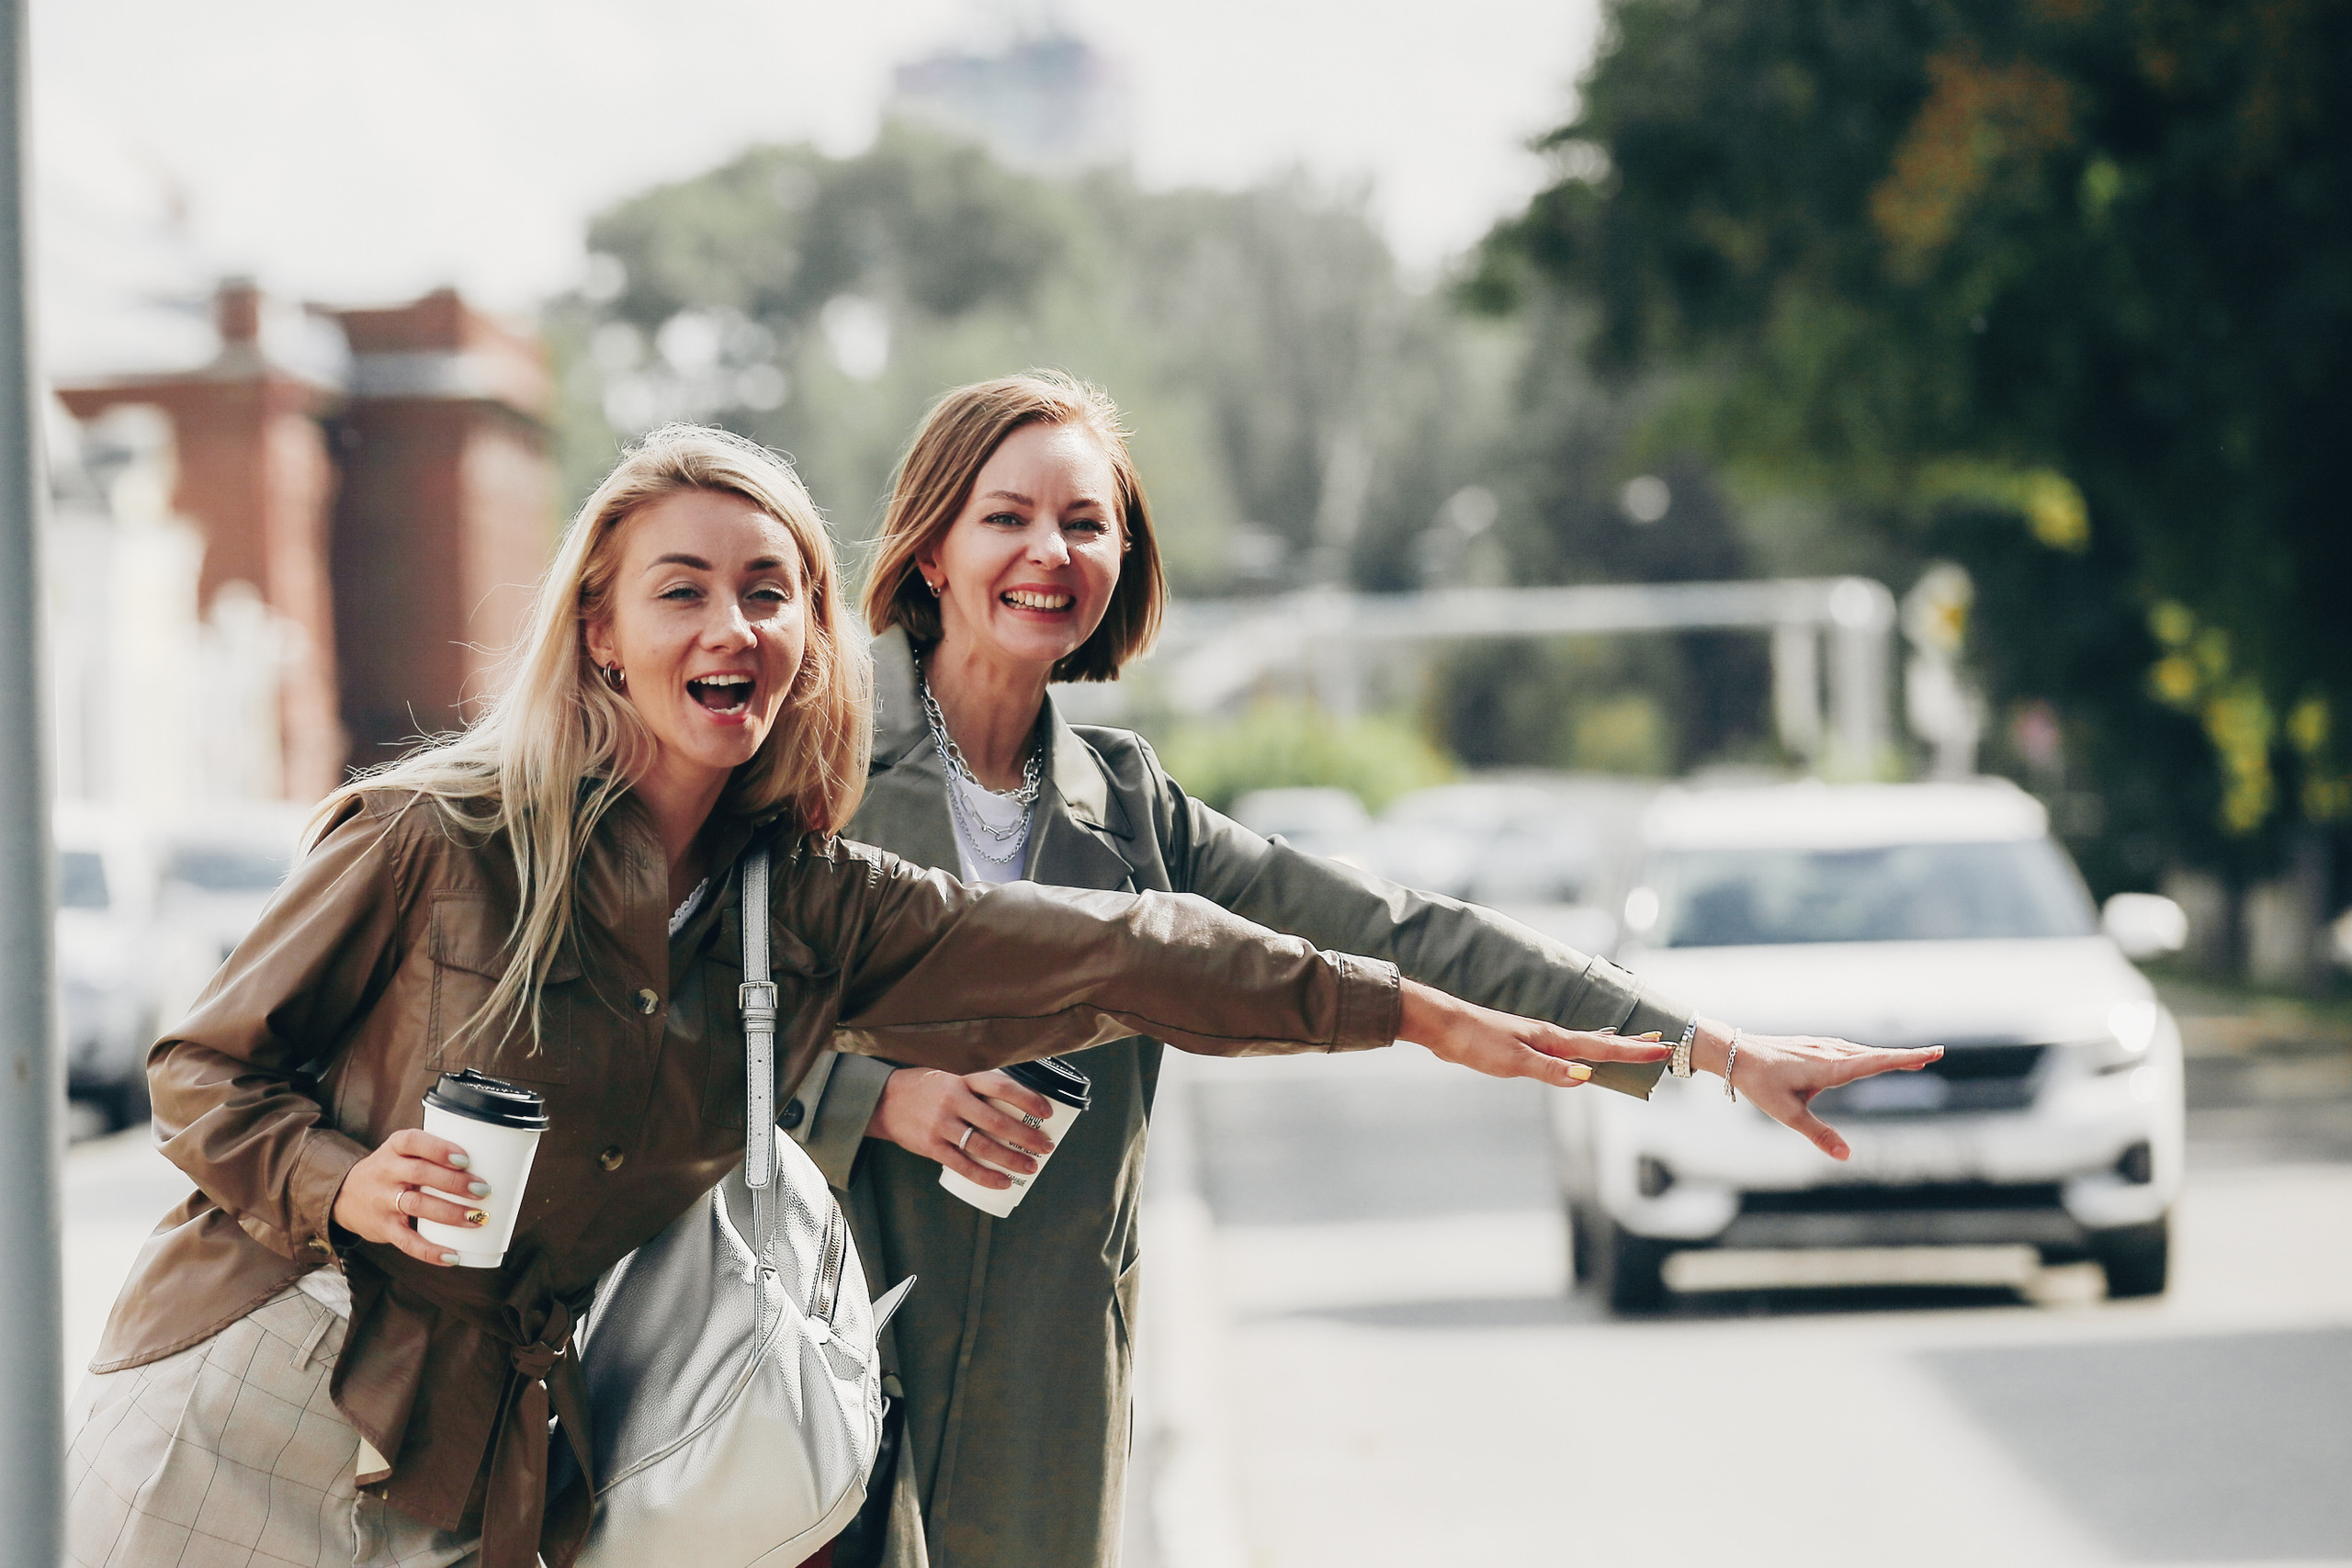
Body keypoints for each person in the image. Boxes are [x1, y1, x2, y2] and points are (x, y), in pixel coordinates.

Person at [64, 425, 1669, 1568]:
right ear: (604, 636)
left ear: (810, 643)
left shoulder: (814, 905)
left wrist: (1410, 1011)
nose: (732, 626)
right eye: (682, 590)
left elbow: (1124, 949)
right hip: (267, 1390)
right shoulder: (436, 836)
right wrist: (351, 1182)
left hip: (487, 1449)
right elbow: (202, 1073)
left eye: (769, 593)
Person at [791, 372, 1939, 1568]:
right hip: (822, 1315)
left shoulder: (1131, 809)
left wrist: (1713, 1048)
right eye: (1008, 517)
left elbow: (1402, 932)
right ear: (930, 552)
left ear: (1122, 558)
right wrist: (881, 1101)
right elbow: (664, 1014)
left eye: (1086, 522)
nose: (1051, 551)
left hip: (1049, 1355)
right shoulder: (810, 765)